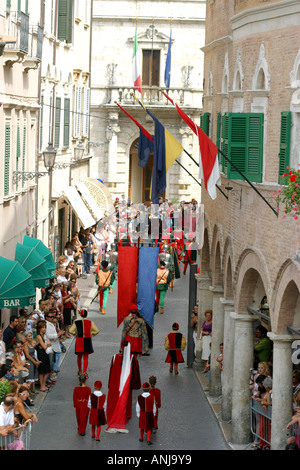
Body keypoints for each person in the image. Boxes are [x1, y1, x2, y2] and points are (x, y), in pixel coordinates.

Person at [106, 341, 141, 434]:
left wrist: (110, 384)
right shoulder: (132, 358)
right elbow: (135, 372)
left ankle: (114, 412)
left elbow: (111, 371)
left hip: (116, 382)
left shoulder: (114, 357)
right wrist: (136, 384)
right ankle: (126, 414)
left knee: (115, 397)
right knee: (126, 398)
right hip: (126, 382)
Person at [69, 309, 99, 378]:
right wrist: (92, 334)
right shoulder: (90, 322)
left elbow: (71, 331)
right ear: (87, 315)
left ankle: (79, 371)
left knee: (79, 356)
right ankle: (84, 372)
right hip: (87, 340)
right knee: (86, 357)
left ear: (80, 315)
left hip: (79, 340)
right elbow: (96, 331)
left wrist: (75, 334)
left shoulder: (76, 322)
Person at [35, 321, 52, 392]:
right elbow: (45, 346)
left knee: (47, 370)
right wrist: (46, 344)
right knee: (41, 371)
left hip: (45, 354)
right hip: (41, 355)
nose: (44, 329)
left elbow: (49, 344)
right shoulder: (38, 336)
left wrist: (46, 344)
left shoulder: (44, 336)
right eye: (43, 327)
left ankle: (44, 384)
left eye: (45, 327)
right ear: (39, 328)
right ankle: (42, 385)